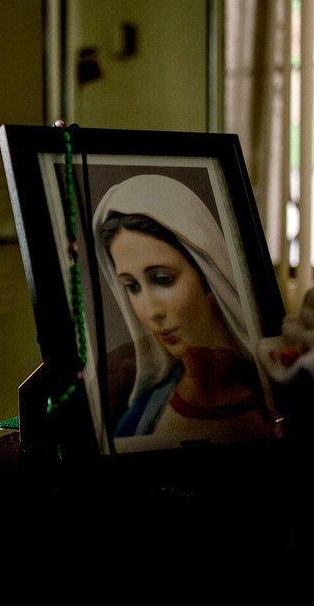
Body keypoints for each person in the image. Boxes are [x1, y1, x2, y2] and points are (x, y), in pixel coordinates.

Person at [93, 174, 275, 443]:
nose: (151, 312)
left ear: (207, 273)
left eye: (163, 279)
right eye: (132, 286)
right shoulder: (139, 418)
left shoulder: (281, 396)